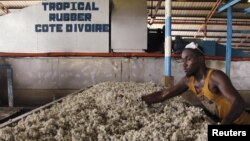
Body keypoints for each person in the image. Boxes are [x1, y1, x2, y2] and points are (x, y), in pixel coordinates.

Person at [141, 42, 250, 125]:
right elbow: (163, 94)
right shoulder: (188, 81)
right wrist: (141, 99)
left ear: (200, 59)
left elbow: (239, 102)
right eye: (182, 60)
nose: (184, 64)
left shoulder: (215, 77)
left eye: (188, 59)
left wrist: (223, 125)